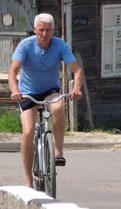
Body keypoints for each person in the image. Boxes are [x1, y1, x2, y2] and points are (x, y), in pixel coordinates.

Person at [8, 12, 83, 188]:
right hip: (27, 93)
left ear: (53, 30)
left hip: (50, 90)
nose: (44, 34)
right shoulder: (25, 46)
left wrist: (76, 88)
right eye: (41, 30)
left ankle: (58, 151)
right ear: (35, 29)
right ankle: (28, 179)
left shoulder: (60, 45)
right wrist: (15, 90)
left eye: (48, 30)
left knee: (58, 108)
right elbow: (12, 72)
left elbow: (77, 70)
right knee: (28, 132)